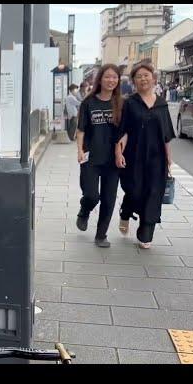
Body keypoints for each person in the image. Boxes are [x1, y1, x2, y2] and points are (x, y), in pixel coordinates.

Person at [115, 61, 175, 249]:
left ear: (153, 79)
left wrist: (169, 159)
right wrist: (119, 152)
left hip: (156, 158)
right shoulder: (130, 103)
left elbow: (166, 135)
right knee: (135, 190)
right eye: (139, 76)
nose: (143, 79)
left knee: (153, 193)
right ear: (134, 81)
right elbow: (123, 130)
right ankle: (125, 212)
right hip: (134, 155)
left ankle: (146, 233)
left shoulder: (162, 104)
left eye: (146, 75)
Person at [75, 64, 123, 248]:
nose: (111, 80)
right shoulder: (89, 102)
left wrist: (120, 151)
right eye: (107, 77)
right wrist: (79, 150)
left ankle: (101, 235)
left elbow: (125, 131)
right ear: (100, 79)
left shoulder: (120, 103)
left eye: (114, 77)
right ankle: (84, 210)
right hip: (91, 157)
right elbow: (81, 130)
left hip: (112, 159)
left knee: (109, 198)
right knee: (92, 195)